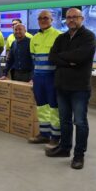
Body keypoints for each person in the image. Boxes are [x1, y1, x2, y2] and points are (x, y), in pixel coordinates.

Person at [47, 8, 96, 170]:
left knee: (80, 122)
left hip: (79, 88)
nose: (71, 20)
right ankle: (64, 148)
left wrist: (64, 57)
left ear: (82, 18)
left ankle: (79, 155)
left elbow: (80, 57)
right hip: (61, 86)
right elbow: (52, 57)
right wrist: (70, 61)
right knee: (65, 121)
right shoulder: (61, 37)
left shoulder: (89, 37)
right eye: (68, 17)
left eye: (75, 17)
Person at [29, 10, 62, 147]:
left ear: (52, 19)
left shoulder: (59, 36)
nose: (43, 20)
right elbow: (33, 59)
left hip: (52, 78)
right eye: (40, 18)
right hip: (38, 78)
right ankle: (44, 134)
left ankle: (55, 136)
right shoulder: (34, 38)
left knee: (54, 108)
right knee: (41, 107)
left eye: (46, 18)